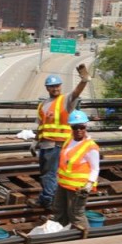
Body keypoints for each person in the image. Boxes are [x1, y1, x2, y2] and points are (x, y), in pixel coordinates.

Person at [33, 66, 89, 209]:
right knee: (47, 173)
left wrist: (84, 81)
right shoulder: (42, 105)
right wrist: (35, 141)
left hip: (59, 145)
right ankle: (51, 197)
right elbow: (41, 126)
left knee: (50, 174)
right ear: (47, 88)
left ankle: (49, 200)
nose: (55, 88)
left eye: (57, 85)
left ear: (60, 86)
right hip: (46, 145)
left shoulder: (65, 100)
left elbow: (76, 92)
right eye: (52, 86)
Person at [54, 110, 99, 229]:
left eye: (81, 127)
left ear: (86, 127)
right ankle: (61, 235)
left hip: (79, 188)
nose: (78, 130)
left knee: (76, 215)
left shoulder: (91, 146)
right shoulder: (69, 140)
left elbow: (95, 168)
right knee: (59, 211)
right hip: (63, 184)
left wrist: (89, 184)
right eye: (75, 127)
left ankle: (86, 240)